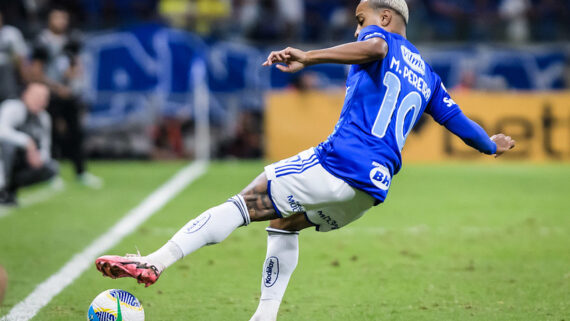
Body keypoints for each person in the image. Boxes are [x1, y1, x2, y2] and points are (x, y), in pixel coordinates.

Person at [95, 1, 516, 320]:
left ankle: (155, 261)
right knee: (284, 222)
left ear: (385, 18)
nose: (359, 25)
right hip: (370, 190)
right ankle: (265, 316)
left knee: (244, 203)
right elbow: (460, 122)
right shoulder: (426, 73)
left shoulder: (381, 40)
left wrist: (309, 56)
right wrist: (492, 146)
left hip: (339, 162)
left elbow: (370, 48)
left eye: (361, 17)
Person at [29, 5, 102, 189]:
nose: (60, 22)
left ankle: (81, 172)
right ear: (49, 20)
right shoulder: (42, 42)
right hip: (50, 96)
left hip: (70, 95)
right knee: (52, 135)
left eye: (63, 18)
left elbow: (76, 66)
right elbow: (36, 72)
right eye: (56, 18)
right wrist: (56, 87)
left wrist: (74, 74)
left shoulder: (71, 40)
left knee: (76, 134)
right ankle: (52, 174)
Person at [0, 83, 59, 206]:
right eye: (36, 96)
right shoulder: (12, 108)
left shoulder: (44, 118)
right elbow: (2, 131)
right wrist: (27, 142)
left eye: (43, 98)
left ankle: (11, 189)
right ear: (25, 95)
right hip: (5, 157)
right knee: (8, 147)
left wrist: (39, 158)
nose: (40, 100)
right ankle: (2, 188)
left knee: (51, 167)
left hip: (24, 161)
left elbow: (45, 148)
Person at [0, 11, 28, 103]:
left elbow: (21, 58)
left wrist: (25, 80)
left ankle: (10, 98)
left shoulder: (11, 33)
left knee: (5, 65)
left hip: (10, 73)